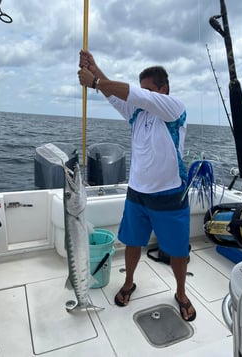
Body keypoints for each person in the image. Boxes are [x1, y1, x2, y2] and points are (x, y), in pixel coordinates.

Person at [78, 50, 196, 322]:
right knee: (132, 243)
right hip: (137, 194)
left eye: (149, 90)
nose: (144, 95)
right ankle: (129, 282)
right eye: (142, 90)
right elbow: (117, 95)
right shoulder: (137, 113)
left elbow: (133, 93)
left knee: (178, 252)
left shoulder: (174, 109)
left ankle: (180, 293)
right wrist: (96, 70)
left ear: (163, 90)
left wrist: (94, 83)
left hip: (170, 195)